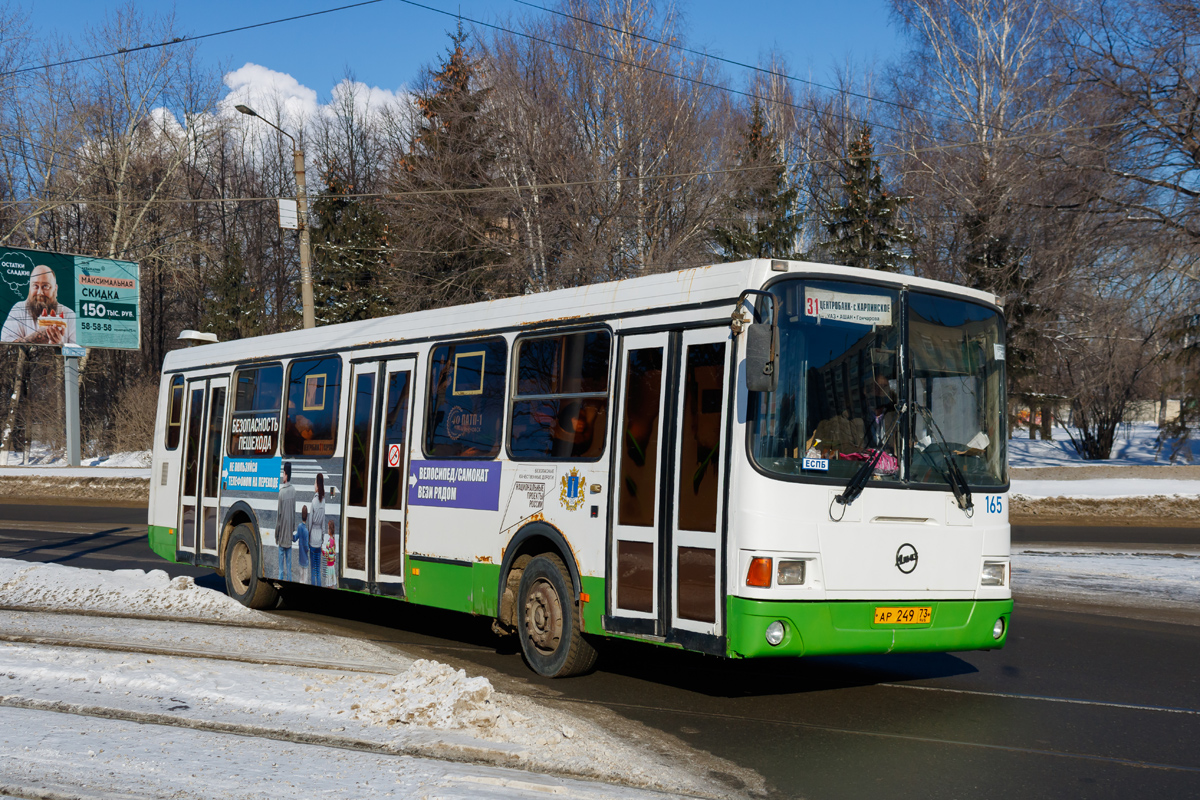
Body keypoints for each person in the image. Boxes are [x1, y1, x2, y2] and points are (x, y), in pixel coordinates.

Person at [1, 264, 77, 345]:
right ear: (30, 288)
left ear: (55, 289)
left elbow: (80, 353)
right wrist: (37, 337)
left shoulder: (69, 315)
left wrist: (59, 345)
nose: (40, 292)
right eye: (35, 286)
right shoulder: (19, 309)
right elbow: (6, 348)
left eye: (45, 286)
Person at [275, 462, 296, 581]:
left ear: (286, 474)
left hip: (282, 536)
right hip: (288, 535)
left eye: (283, 473)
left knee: (280, 570)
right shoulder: (293, 491)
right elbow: (293, 512)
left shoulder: (281, 493)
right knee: (289, 566)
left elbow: (279, 516)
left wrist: (277, 534)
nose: (282, 476)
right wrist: (292, 531)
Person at [308, 473, 327, 586]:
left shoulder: (313, 501)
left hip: (312, 540)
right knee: (318, 569)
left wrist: (308, 536)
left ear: (317, 485)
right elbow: (323, 521)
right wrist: (322, 537)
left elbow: (310, 522)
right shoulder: (323, 501)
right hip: (319, 538)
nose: (314, 484)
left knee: (312, 569)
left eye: (315, 482)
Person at [294, 505, 310, 582]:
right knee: (305, 578)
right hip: (305, 559)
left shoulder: (299, 526)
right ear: (307, 517)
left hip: (300, 558)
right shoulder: (306, 531)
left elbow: (295, 538)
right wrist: (308, 549)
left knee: (301, 577)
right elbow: (306, 546)